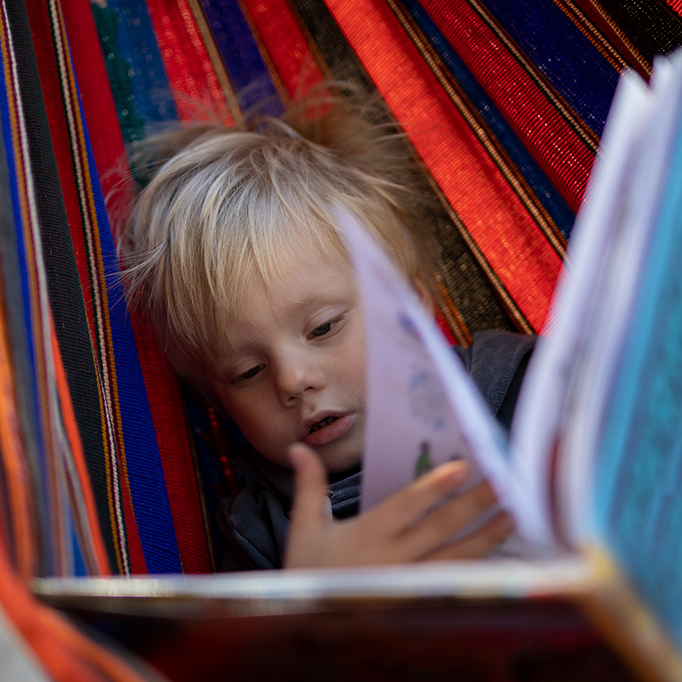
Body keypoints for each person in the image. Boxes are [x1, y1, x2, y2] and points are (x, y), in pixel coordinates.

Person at [119, 89, 533, 571]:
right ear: (219, 402)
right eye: (248, 372)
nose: (292, 380)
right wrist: (316, 595)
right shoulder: (266, 544)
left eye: (323, 328)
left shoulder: (530, 389)